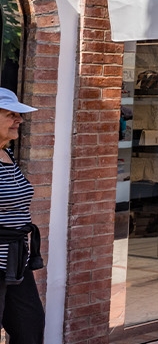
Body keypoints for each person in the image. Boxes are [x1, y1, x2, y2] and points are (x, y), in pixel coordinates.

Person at [0, 89, 43, 344]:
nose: (20, 120)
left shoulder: (7, 153)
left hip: (16, 260)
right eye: (11, 114)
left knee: (30, 326)